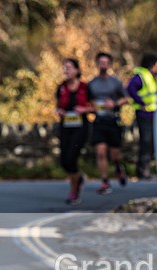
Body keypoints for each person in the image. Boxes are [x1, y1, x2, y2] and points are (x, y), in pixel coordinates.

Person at [88, 52, 128, 194]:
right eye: (101, 62)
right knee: (100, 152)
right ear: (97, 64)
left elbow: (126, 98)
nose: (103, 65)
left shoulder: (115, 82)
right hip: (99, 121)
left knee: (114, 154)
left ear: (109, 64)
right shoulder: (92, 84)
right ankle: (105, 182)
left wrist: (114, 103)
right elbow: (89, 101)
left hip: (113, 121)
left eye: (106, 62)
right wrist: (93, 108)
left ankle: (118, 167)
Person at [56, 58, 91, 206]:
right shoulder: (61, 87)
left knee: (71, 158)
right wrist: (59, 111)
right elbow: (58, 105)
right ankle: (78, 178)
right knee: (64, 161)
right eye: (65, 68)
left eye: (69, 68)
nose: (66, 70)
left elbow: (94, 106)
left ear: (77, 70)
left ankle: (74, 192)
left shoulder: (85, 87)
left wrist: (83, 109)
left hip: (81, 126)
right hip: (65, 126)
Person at [126, 53, 157, 180]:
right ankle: (142, 171)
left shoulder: (151, 76)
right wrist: (142, 102)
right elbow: (130, 89)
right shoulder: (143, 76)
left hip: (151, 113)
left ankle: (145, 169)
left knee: (149, 143)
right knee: (146, 142)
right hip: (144, 113)